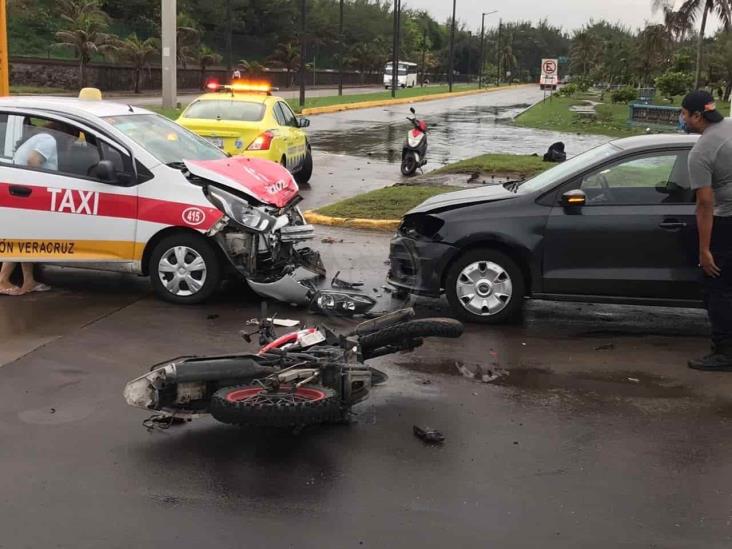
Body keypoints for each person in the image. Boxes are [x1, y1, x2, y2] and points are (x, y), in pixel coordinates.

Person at [682, 90, 732, 370]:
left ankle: (725, 353)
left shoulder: (701, 151)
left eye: (684, 113)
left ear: (697, 115)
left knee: (718, 289)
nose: (682, 117)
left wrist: (705, 250)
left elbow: (704, 203)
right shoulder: (730, 126)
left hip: (727, 220)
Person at [0, 121, 70, 295]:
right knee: (21, 239)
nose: (71, 144)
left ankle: (28, 280)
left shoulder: (40, 138)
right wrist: (40, 187)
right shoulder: (49, 140)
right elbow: (33, 161)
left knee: (27, 238)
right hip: (28, 196)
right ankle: (2, 280)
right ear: (65, 134)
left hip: (22, 194)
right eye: (70, 139)